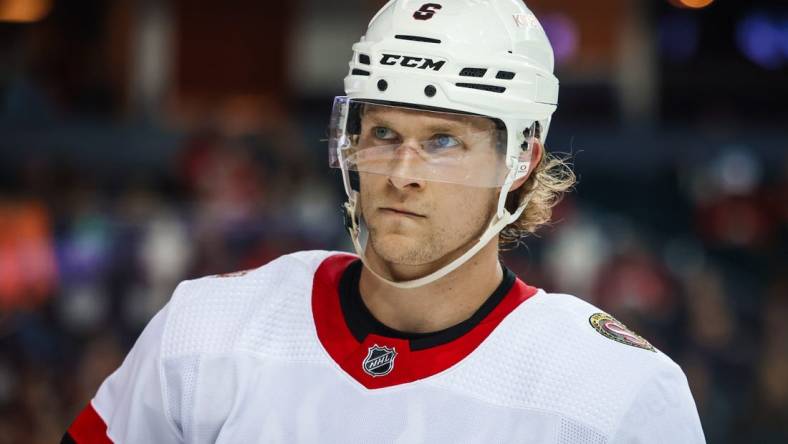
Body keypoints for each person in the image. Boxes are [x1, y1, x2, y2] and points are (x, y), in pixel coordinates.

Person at [63, 1, 706, 442]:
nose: (402, 172)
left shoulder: (617, 394)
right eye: (384, 132)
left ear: (521, 159)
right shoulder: (203, 331)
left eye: (444, 141)